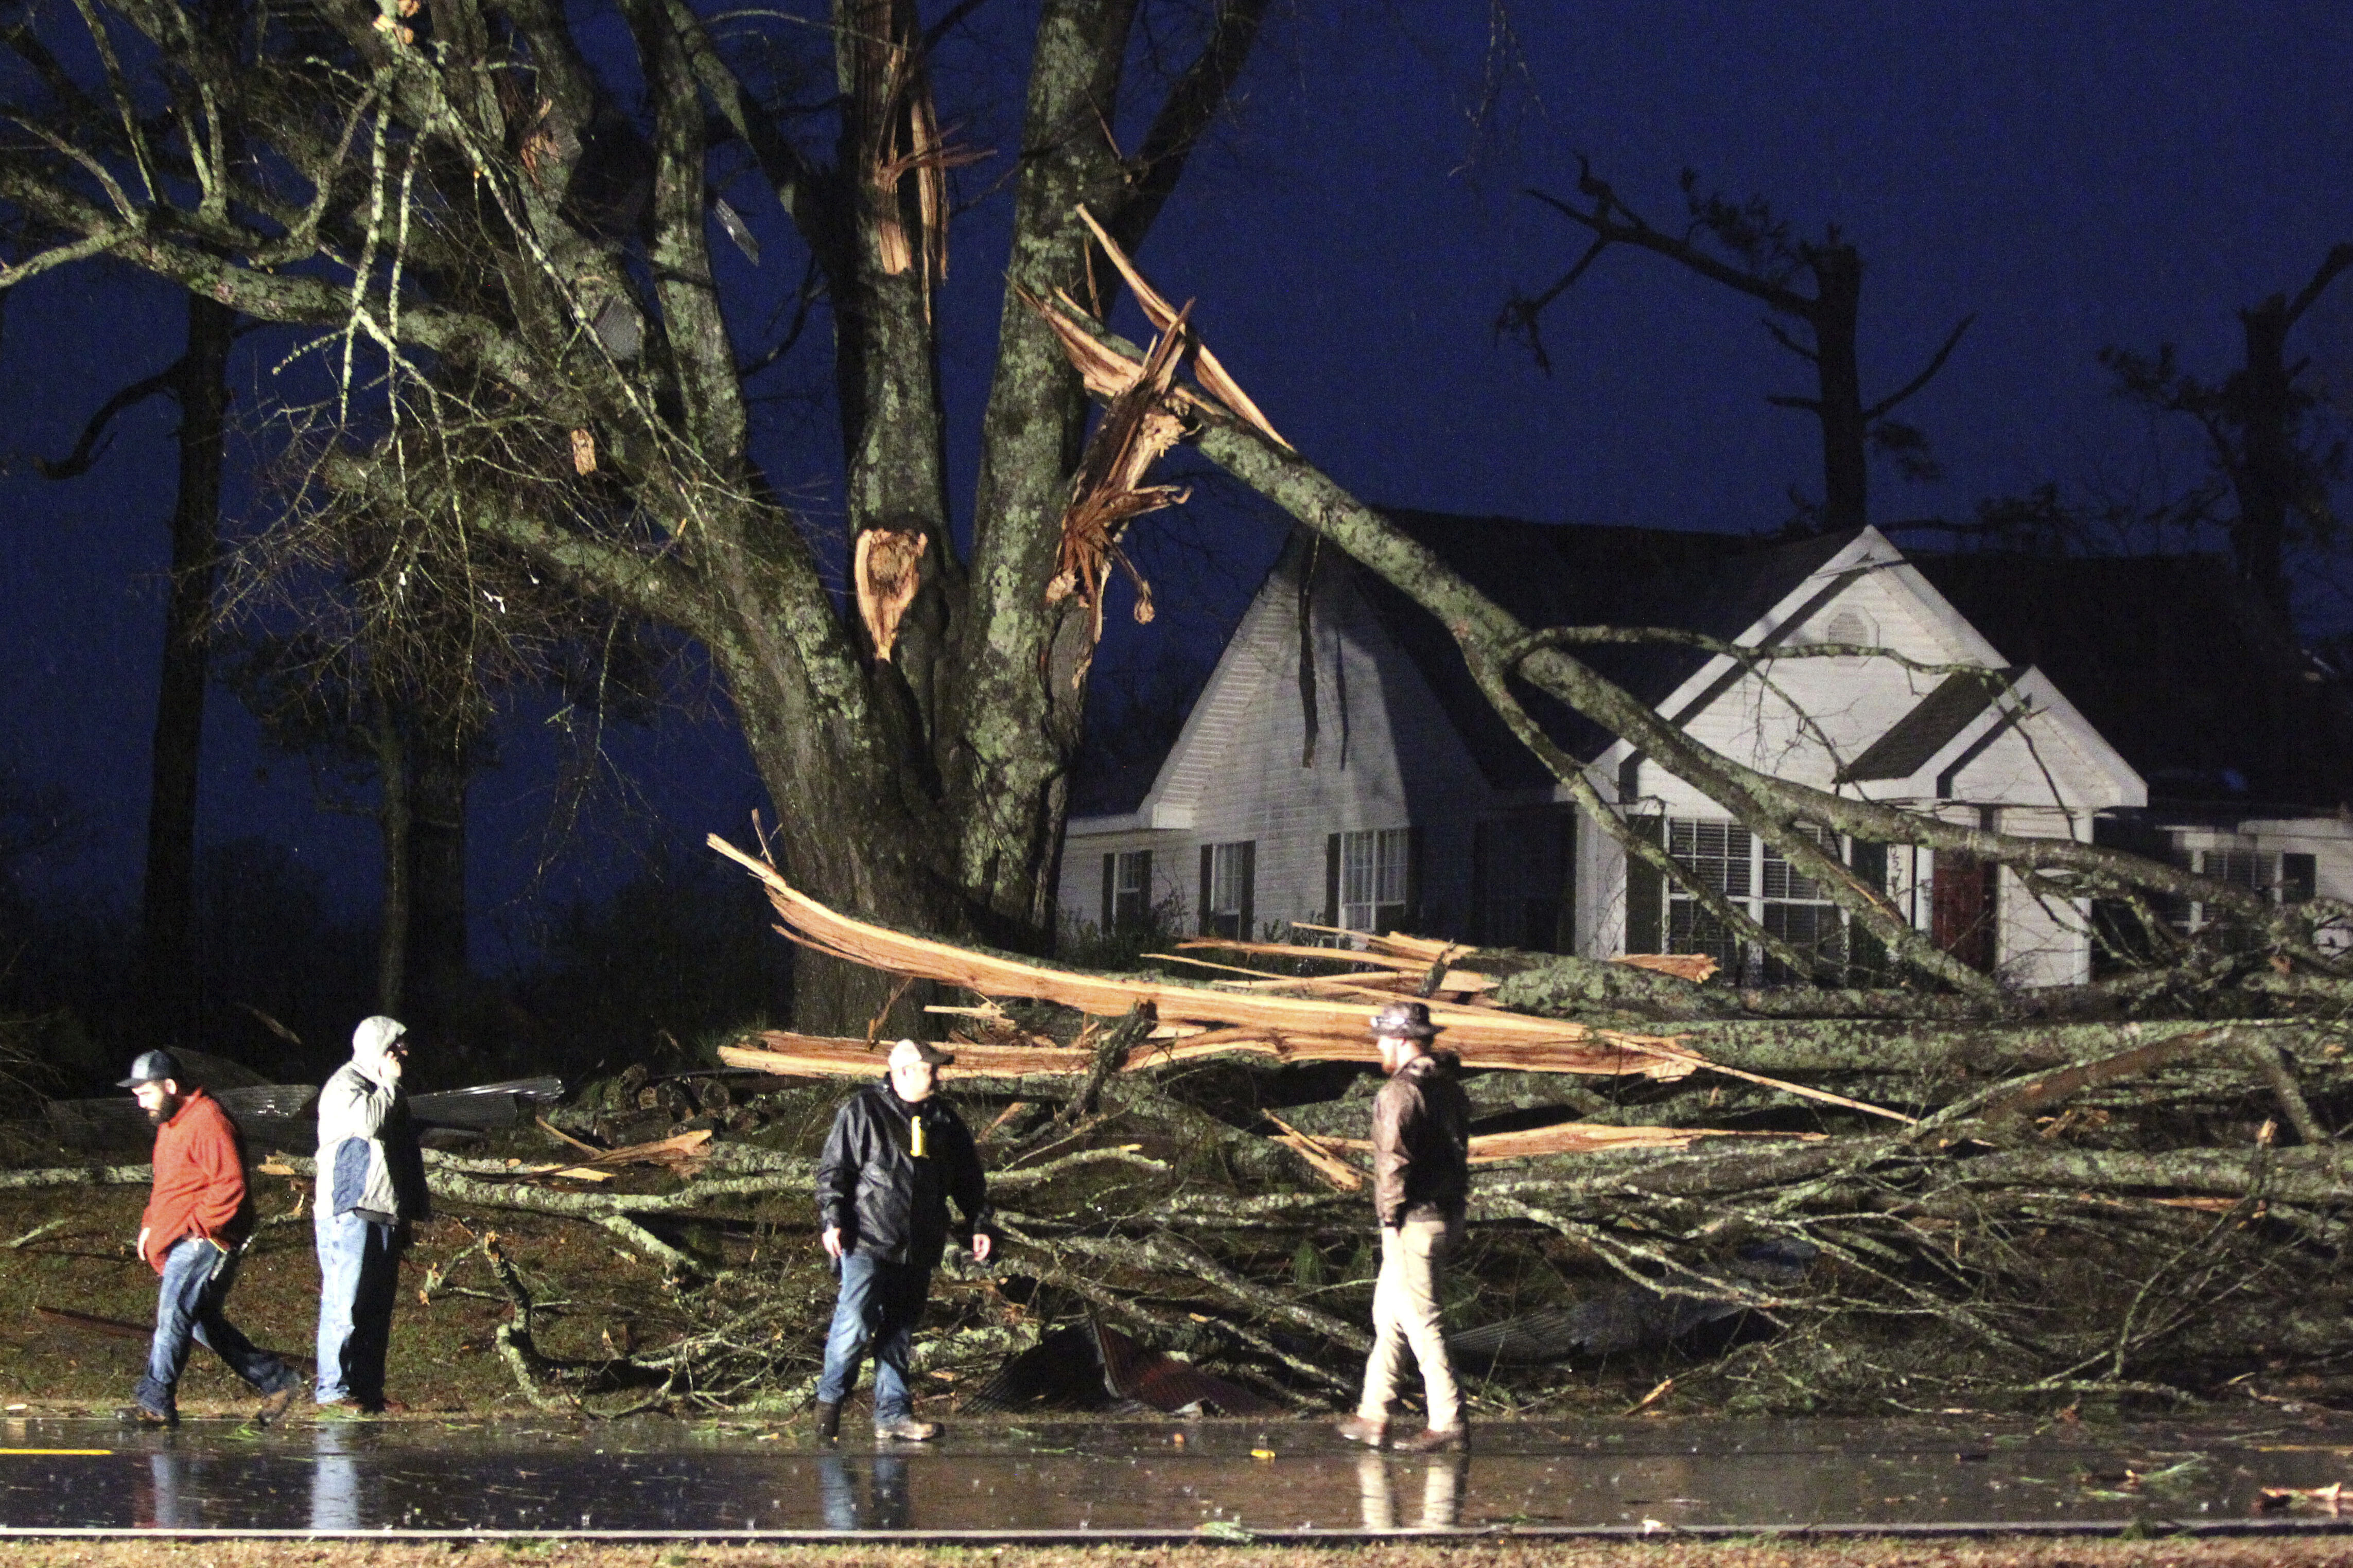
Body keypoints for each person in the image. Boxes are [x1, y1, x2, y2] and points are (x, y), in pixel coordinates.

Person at [812, 1037, 995, 1442]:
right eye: (930, 1069)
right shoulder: (863, 1110)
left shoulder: (943, 1119)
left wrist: (979, 1223)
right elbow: (834, 1170)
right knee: (855, 1321)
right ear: (904, 1072)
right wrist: (832, 1219)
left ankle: (893, 1414)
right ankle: (829, 1403)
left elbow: (968, 1178)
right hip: (867, 1238)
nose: (937, 1076)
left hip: (919, 1242)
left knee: (898, 1331)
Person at [117, 1048, 301, 1428]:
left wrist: (196, 1228)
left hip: (205, 1240)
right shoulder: (171, 1124)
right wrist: (151, 1224)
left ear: (171, 1086)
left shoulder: (207, 1119)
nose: (141, 1102)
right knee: (202, 1323)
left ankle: (155, 1402)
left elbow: (230, 1185)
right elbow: (169, 1186)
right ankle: (277, 1380)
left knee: (172, 1316)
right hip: (185, 1238)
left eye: (146, 1093)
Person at [1335, 1000, 1471, 1453]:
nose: (1378, 1047)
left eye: (1382, 1039)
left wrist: (1388, 1222)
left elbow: (1391, 1162)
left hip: (1413, 1221)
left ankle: (1447, 1420)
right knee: (1389, 1315)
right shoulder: (1449, 1089)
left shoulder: (1399, 1092)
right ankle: (1373, 1414)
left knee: (1421, 1320)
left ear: (1400, 1040)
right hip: (1446, 1214)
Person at [313, 1015, 428, 1416]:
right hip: (349, 1210)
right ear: (379, 1048)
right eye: (397, 1046)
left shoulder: (389, 1090)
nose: (404, 1054)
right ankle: (333, 1390)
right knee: (345, 1304)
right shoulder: (346, 1085)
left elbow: (404, 1154)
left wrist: (409, 1212)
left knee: (376, 1310)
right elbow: (368, 1123)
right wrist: (390, 1083)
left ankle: (368, 1391)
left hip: (385, 1212)